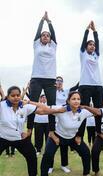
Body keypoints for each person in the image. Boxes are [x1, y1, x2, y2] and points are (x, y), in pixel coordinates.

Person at [0, 86, 64, 176]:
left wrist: (57, 111)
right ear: (8, 96)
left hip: (19, 138)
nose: (16, 97)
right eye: (12, 95)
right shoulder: (2, 106)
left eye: (18, 95)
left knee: (32, 156)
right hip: (3, 138)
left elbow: (43, 110)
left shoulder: (24, 106)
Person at [38, 91, 94, 176]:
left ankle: (86, 173)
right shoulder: (62, 109)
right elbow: (46, 109)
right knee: (48, 155)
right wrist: (51, 132)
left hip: (72, 138)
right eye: (73, 99)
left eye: (78, 99)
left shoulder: (83, 112)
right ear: (68, 100)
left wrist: (86, 107)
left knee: (85, 152)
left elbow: (98, 112)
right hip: (57, 136)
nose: (76, 101)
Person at [27, 11, 57, 139]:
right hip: (37, 78)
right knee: (32, 104)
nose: (45, 36)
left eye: (47, 35)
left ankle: (52, 130)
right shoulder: (36, 45)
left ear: (50, 39)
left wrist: (49, 22)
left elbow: (54, 35)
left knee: (51, 105)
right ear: (40, 38)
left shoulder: (53, 47)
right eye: (43, 35)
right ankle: (29, 129)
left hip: (50, 80)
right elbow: (37, 32)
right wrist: (41, 21)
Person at [78, 20, 103, 141]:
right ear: (86, 47)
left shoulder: (96, 55)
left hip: (97, 85)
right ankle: (79, 135)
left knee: (99, 110)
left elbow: (97, 42)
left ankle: (99, 132)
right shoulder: (83, 54)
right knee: (83, 109)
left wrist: (95, 31)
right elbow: (84, 41)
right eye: (90, 44)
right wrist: (87, 30)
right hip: (85, 85)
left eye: (93, 45)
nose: (92, 46)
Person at [48, 76, 79, 174]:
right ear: (55, 82)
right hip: (54, 116)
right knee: (51, 145)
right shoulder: (51, 91)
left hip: (64, 118)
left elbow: (75, 87)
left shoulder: (66, 91)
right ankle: (50, 166)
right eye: (57, 81)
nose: (59, 82)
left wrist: (83, 78)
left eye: (61, 81)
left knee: (64, 145)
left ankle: (64, 165)